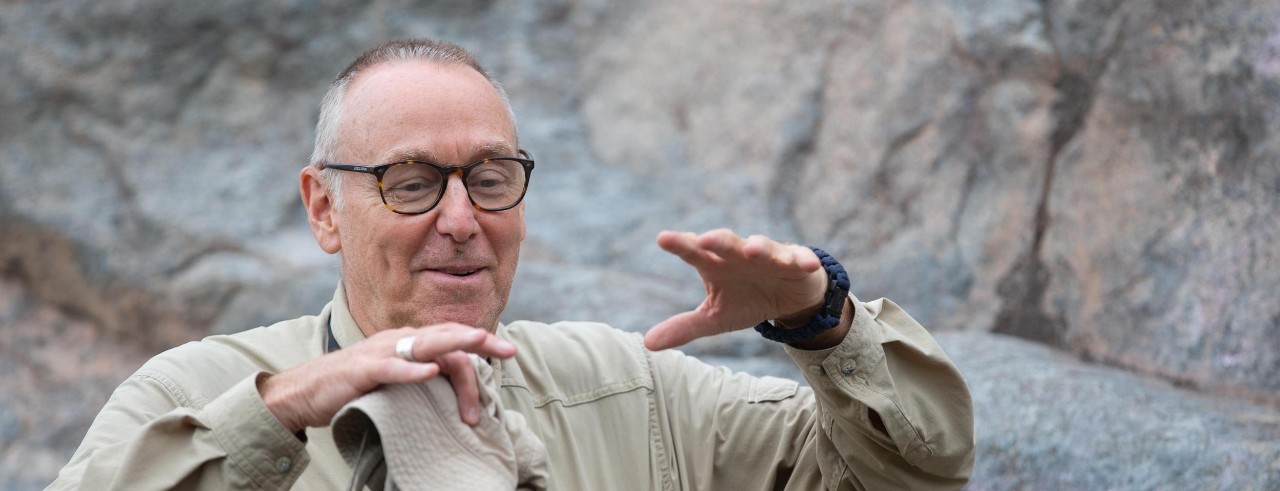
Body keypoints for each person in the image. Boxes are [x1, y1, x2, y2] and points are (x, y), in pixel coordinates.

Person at [50, 38, 975, 490]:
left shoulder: (627, 388)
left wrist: (825, 325)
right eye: (411, 182)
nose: (462, 219)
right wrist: (282, 410)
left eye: (490, 178)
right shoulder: (196, 393)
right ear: (323, 208)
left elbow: (910, 474)